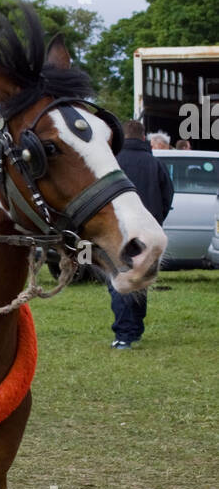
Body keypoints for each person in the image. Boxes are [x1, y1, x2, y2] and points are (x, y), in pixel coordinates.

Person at [107, 120, 173, 350]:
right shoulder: (156, 165)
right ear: (144, 138)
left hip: (117, 232)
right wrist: (157, 220)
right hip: (147, 232)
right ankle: (134, 329)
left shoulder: (112, 163)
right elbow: (167, 197)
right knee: (141, 281)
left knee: (120, 280)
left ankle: (124, 335)